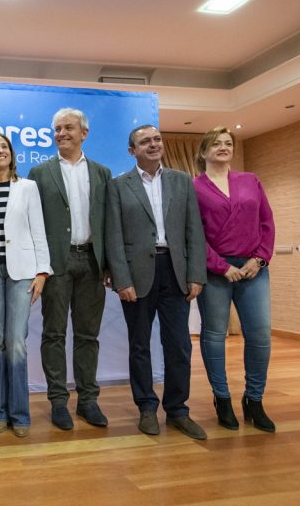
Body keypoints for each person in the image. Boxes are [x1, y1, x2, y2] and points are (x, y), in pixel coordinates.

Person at [105, 124, 208, 440]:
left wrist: (196, 274)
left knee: (178, 345)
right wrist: (121, 278)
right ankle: (147, 408)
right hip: (136, 275)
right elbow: (113, 235)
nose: (153, 144)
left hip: (175, 272)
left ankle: (178, 411)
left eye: (157, 139)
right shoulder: (118, 185)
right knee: (139, 346)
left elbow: (194, 231)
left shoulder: (181, 181)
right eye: (145, 141)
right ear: (131, 150)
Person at [27, 108, 112, 430]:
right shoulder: (40, 173)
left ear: (84, 133)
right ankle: (58, 401)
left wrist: (111, 265)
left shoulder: (102, 173)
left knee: (88, 336)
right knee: (54, 334)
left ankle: (88, 400)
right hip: (55, 265)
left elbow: (109, 222)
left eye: (68, 128)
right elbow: (33, 224)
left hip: (92, 262)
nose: (61, 133)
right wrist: (39, 267)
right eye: (57, 129)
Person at [193, 126, 276, 432]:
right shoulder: (194, 187)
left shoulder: (250, 181)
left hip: (254, 268)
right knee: (214, 335)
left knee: (260, 336)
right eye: (216, 143)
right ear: (203, 151)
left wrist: (260, 258)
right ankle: (222, 398)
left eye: (228, 143)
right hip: (215, 270)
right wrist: (219, 266)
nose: (223, 147)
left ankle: (254, 400)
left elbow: (267, 222)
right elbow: (194, 234)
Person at [0, 134, 50, 438]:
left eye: (4, 147)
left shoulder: (27, 187)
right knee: (0, 341)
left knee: (16, 342)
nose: (0, 151)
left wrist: (42, 272)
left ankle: (20, 413)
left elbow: (38, 230)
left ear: (11, 154)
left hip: (23, 273)